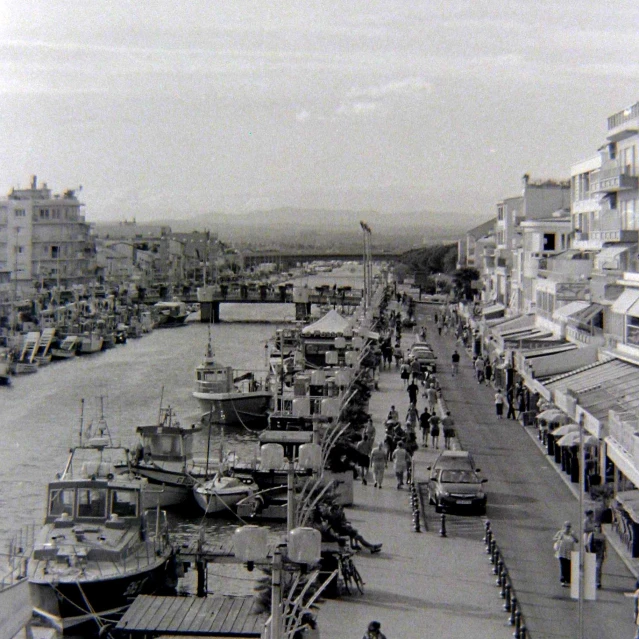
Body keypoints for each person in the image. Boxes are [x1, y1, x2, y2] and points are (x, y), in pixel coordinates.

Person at [553, 521, 578, 586]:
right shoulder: (560, 533)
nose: (568, 528)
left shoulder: (572, 533)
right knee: (563, 566)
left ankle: (568, 579)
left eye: (569, 526)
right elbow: (554, 538)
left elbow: (577, 541)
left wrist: (573, 536)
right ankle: (563, 580)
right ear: (564, 526)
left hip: (569, 552)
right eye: (567, 526)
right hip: (562, 552)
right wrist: (559, 538)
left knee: (569, 566)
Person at [587, 523, 606, 589]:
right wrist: (589, 553)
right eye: (596, 527)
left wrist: (604, 553)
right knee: (592, 568)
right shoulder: (591, 535)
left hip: (600, 554)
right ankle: (592, 581)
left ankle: (598, 582)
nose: (598, 528)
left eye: (599, 527)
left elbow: (604, 545)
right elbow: (589, 544)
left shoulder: (602, 536)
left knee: (598, 568)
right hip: (593, 553)